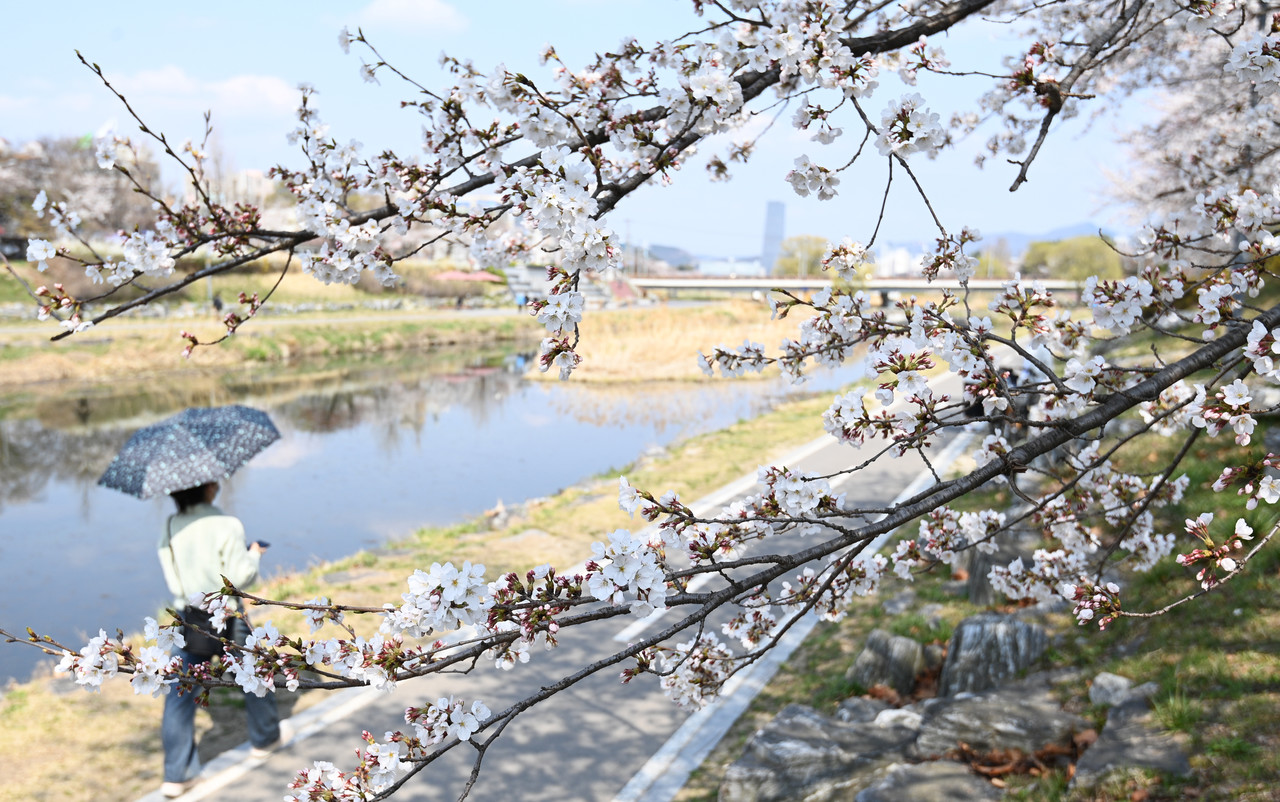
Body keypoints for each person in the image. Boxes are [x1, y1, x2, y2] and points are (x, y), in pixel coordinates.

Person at [157, 481, 282, 798]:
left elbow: (172, 576)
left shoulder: (171, 524)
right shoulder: (227, 524)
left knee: (180, 691)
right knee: (254, 676)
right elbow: (240, 577)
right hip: (228, 613)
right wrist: (253, 555)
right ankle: (265, 739)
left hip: (191, 617)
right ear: (207, 488)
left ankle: (177, 774)